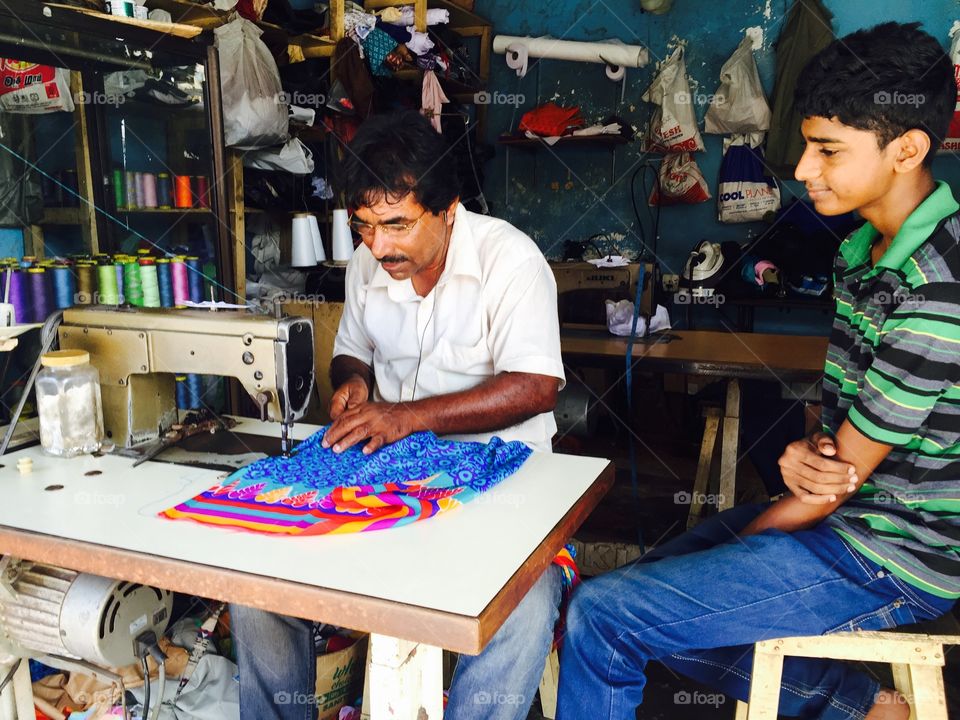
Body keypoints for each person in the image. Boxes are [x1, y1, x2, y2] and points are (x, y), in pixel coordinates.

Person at [557, 22, 960, 720]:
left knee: (605, 615)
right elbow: (832, 445)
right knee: (633, 591)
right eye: (807, 145)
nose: (803, 169)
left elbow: (839, 485)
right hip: (845, 521)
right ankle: (859, 705)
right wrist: (808, 451)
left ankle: (855, 703)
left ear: (908, 149)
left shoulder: (937, 289)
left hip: (897, 555)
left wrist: (742, 545)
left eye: (827, 150)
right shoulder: (863, 249)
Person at [230, 110, 566, 720]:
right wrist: (354, 387)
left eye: (397, 225)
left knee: (527, 605)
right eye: (363, 227)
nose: (378, 246)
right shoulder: (368, 264)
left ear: (447, 208)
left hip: (507, 483)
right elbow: (351, 354)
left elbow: (536, 387)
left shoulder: (511, 262)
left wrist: (406, 417)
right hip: (391, 473)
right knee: (259, 583)